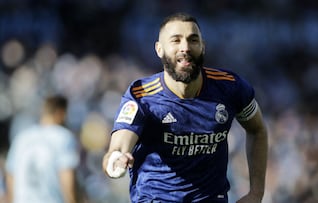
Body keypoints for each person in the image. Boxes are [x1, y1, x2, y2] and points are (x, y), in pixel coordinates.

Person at [102, 12, 268, 203]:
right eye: (176, 40)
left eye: (193, 40)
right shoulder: (142, 95)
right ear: (159, 49)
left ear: (202, 47)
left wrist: (256, 193)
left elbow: (257, 129)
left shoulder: (230, 87)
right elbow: (118, 147)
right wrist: (115, 161)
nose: (185, 47)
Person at [5, 95, 80, 203]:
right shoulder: (63, 136)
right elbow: (66, 175)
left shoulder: (22, 137)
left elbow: (10, 175)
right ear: (61, 113)